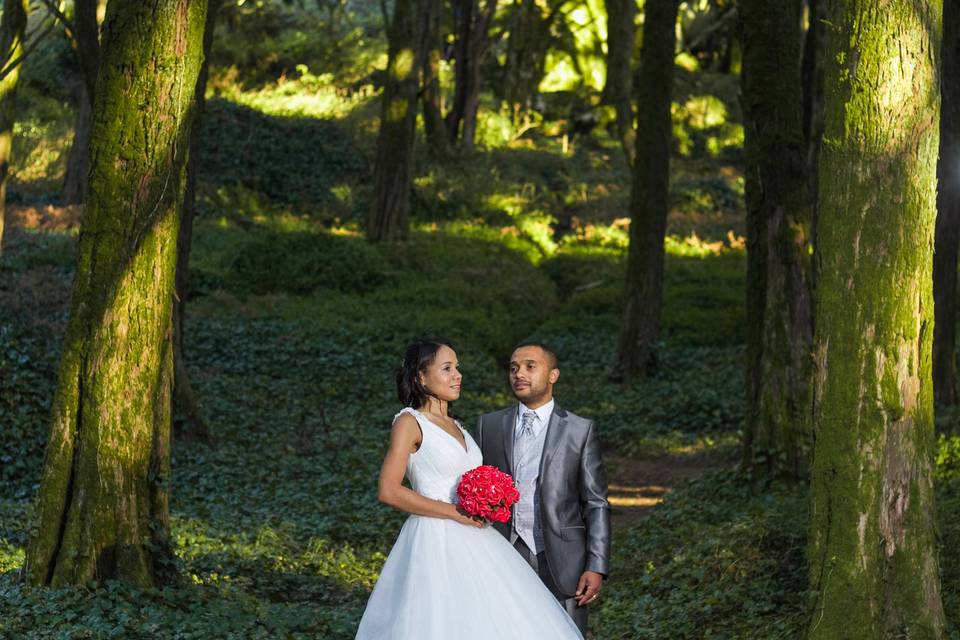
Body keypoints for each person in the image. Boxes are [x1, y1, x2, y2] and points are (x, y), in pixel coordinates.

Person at [355, 337, 584, 640]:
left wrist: (491, 499)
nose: (457, 375)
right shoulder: (410, 422)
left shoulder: (458, 426)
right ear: (421, 377)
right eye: (447, 368)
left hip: (479, 539)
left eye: (457, 368)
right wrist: (453, 511)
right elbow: (388, 490)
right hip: (435, 539)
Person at [476, 341, 611, 637]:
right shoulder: (489, 425)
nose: (518, 373)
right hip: (503, 552)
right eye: (513, 368)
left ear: (553, 375)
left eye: (529, 366)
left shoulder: (579, 429)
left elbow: (596, 502)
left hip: (564, 558)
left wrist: (596, 565)